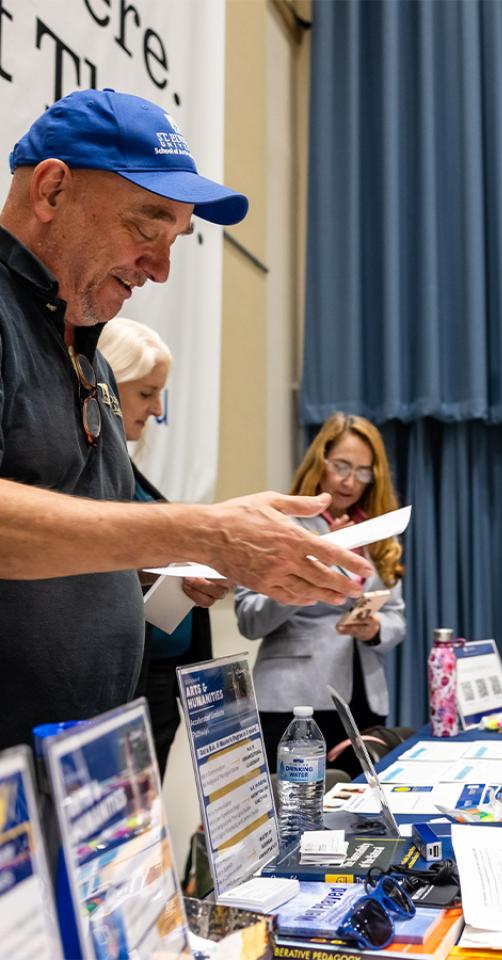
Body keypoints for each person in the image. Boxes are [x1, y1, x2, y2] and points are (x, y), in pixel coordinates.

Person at [0, 89, 371, 752]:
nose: (162, 270)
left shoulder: (91, 358)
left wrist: (186, 558)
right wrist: (201, 528)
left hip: (89, 766)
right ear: (53, 190)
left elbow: (78, 546)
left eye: (176, 240)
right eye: (147, 227)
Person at [235, 413, 406, 773]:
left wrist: (375, 629)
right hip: (293, 700)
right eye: (342, 466)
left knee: (360, 816)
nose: (350, 481)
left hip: (364, 699)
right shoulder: (279, 524)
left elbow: (397, 618)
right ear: (319, 462)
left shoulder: (379, 532)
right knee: (294, 816)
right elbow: (250, 619)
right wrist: (313, 562)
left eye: (363, 471)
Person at [98, 317, 228, 777]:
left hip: (162, 677)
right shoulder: (85, 476)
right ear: (108, 384)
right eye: (146, 393)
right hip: (120, 684)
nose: (156, 409)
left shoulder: (130, 474)